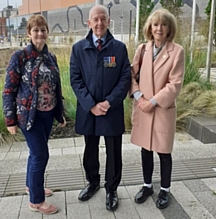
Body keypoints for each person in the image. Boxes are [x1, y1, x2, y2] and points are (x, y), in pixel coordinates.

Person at [2, 15, 66, 215]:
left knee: (35, 154)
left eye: (43, 29)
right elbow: (8, 90)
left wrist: (60, 113)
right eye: (36, 30)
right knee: (41, 155)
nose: (40, 33)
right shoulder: (19, 57)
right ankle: (36, 201)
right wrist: (10, 120)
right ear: (29, 33)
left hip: (47, 115)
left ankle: (32, 186)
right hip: (29, 117)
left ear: (47, 32)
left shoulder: (51, 57)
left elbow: (56, 88)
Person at [70, 5, 131, 211]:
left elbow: (125, 78)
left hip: (111, 109)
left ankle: (112, 189)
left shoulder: (119, 49)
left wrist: (109, 102)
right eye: (95, 19)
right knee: (90, 149)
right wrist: (91, 105)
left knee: (114, 151)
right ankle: (93, 182)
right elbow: (75, 80)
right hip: (89, 111)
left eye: (103, 19)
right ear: (89, 22)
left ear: (108, 21)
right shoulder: (78, 49)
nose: (99, 23)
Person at [129, 8, 185, 209]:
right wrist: (139, 97)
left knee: (163, 151)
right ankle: (146, 186)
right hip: (143, 107)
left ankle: (165, 189)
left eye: (163, 24)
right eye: (155, 24)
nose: (159, 28)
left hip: (161, 109)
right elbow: (132, 76)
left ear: (169, 28)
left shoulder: (177, 51)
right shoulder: (142, 49)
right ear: (149, 28)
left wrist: (152, 101)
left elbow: (174, 84)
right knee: (146, 149)